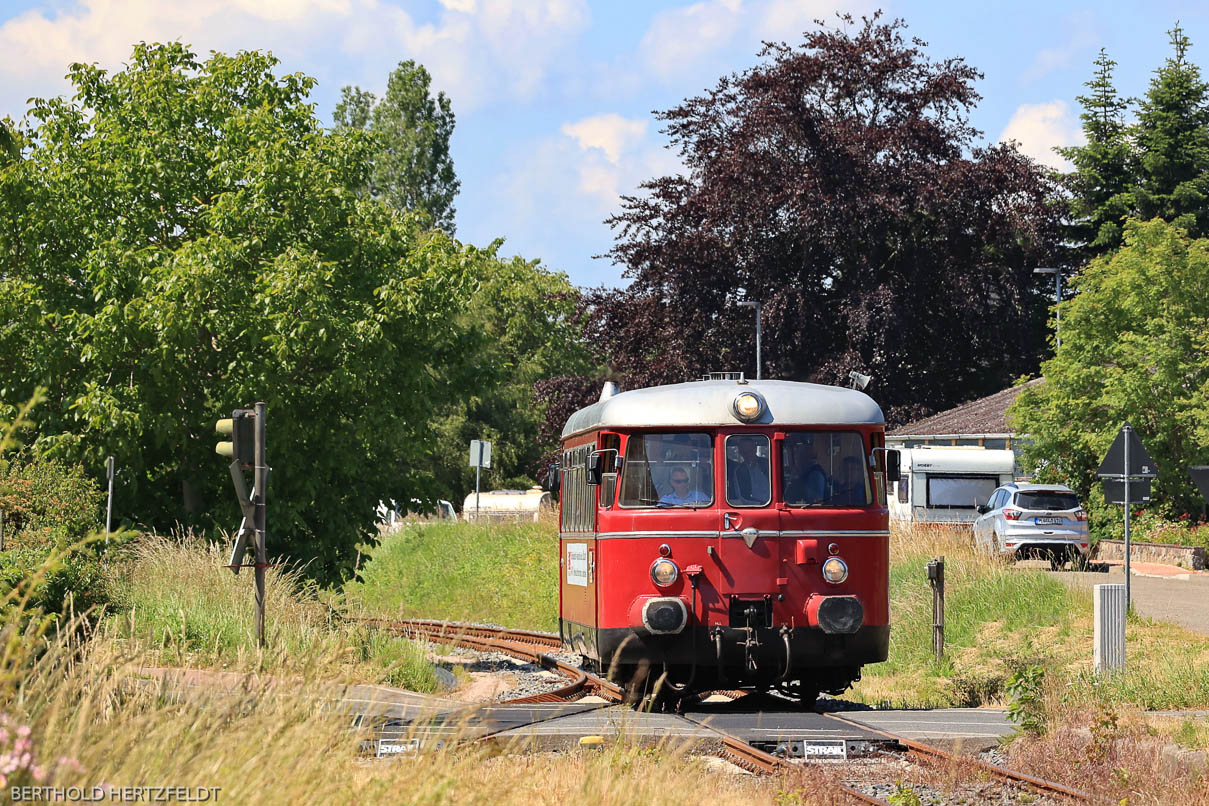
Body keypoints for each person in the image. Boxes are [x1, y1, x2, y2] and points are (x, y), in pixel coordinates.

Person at [727, 436, 769, 505]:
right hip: (755, 506)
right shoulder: (739, 471)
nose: (748, 454)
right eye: (744, 452)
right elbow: (741, 496)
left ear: (755, 448)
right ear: (740, 452)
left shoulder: (767, 464)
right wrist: (761, 504)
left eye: (750, 451)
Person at [784, 441, 826, 505]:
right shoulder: (805, 473)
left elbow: (815, 502)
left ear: (805, 458)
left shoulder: (815, 475)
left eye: (797, 458)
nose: (796, 462)